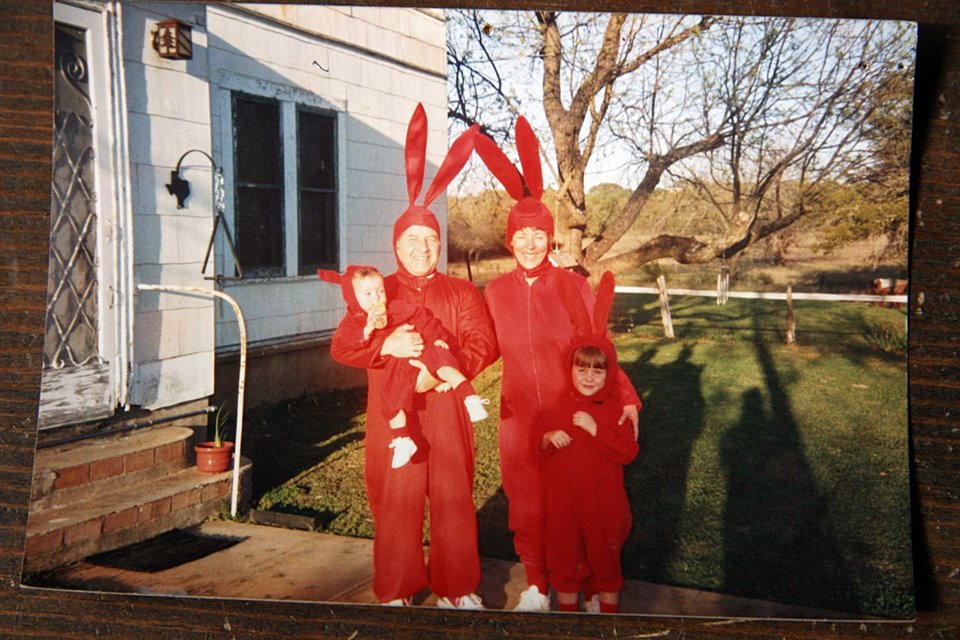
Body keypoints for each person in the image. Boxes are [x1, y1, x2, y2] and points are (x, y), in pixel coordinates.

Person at [329, 104, 497, 609]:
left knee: (452, 495)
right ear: (396, 245)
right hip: (394, 409)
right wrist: (386, 346)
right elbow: (347, 344)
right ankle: (398, 588)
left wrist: (443, 374)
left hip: (447, 404)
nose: (422, 248)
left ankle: (457, 586)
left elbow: (483, 343)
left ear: (439, 244)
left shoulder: (460, 291)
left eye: (430, 239)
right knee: (396, 497)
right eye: (411, 240)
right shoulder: (375, 289)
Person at [475, 117, 641, 611]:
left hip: (572, 414)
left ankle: (587, 585)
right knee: (527, 505)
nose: (529, 243)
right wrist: (445, 366)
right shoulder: (496, 291)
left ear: (550, 239)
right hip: (520, 418)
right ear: (509, 240)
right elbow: (484, 346)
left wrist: (627, 397)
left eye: (538, 234)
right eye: (521, 235)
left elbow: (599, 348)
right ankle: (536, 584)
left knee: (580, 507)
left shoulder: (573, 285)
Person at [319, 265, 489, 469]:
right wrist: (375, 337)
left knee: (444, 363)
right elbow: (341, 346)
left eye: (380, 291)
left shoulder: (395, 307)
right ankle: (402, 439)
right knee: (391, 399)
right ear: (353, 297)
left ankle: (471, 398)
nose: (376, 298)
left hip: (424, 350)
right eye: (368, 294)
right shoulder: (354, 322)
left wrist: (438, 338)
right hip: (399, 368)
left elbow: (422, 317)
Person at [538, 272, 639, 613]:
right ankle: (569, 620)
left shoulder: (615, 410)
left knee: (604, 561)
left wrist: (597, 429)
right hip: (565, 504)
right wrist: (548, 438)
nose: (589, 377)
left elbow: (628, 452)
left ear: (609, 374)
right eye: (581, 369)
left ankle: (607, 618)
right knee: (565, 560)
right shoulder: (558, 406)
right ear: (569, 369)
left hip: (602, 505)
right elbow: (538, 446)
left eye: (598, 371)